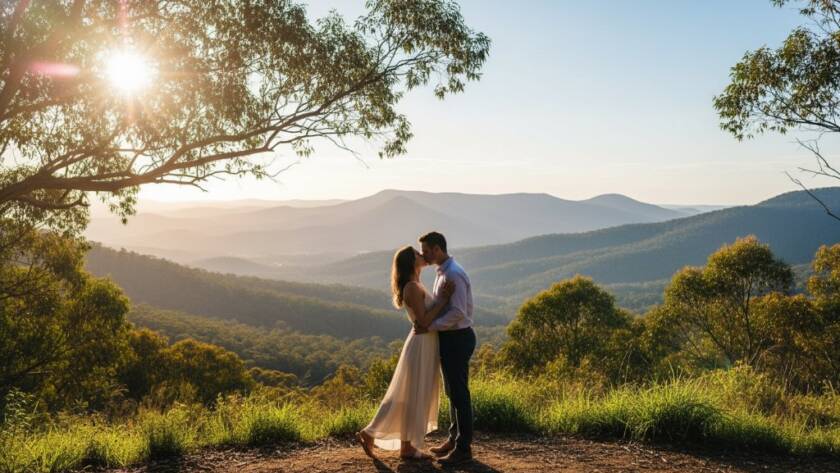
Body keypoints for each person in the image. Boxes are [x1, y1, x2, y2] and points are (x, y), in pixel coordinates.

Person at [356, 245, 455, 460]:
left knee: (411, 393)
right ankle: (380, 435)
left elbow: (426, 319)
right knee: (411, 393)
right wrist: (444, 301)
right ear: (412, 261)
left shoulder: (415, 284)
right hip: (421, 344)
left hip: (425, 343)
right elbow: (424, 321)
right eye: (419, 254)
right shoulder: (411, 287)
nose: (423, 256)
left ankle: (404, 445)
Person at [416, 231, 476, 466]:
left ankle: (464, 448)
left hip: (458, 338)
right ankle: (453, 439)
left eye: (427, 251)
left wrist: (432, 326)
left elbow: (459, 312)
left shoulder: (454, 274)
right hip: (450, 338)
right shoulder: (443, 272)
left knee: (460, 394)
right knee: (452, 392)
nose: (424, 255)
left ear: (438, 249)